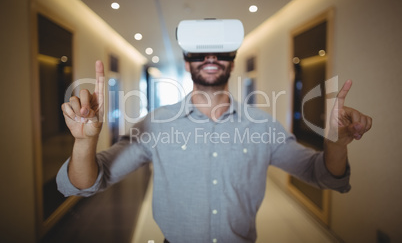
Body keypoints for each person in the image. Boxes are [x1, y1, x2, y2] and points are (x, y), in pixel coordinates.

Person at [57, 21, 372, 243]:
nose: (210, 58)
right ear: (186, 61)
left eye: (220, 51)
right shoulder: (156, 124)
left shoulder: (262, 127)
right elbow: (87, 184)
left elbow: (324, 175)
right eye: (198, 52)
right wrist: (85, 142)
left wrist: (335, 143)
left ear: (233, 61)